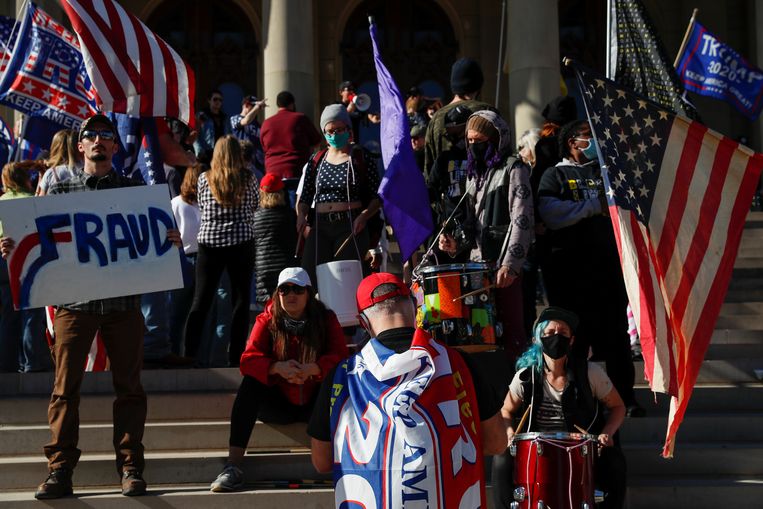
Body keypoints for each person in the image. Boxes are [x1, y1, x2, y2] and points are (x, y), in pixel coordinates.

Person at [0, 114, 181, 499]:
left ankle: (131, 467)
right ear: (79, 146)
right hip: (74, 304)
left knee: (130, 388)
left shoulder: (134, 192)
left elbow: (152, 243)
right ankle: (60, 470)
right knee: (65, 390)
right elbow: (35, 239)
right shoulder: (60, 194)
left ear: (116, 147)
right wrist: (13, 247)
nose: (98, 141)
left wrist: (167, 239)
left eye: (105, 136)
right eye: (90, 136)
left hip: (122, 305)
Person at [308, 272, 507, 508]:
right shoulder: (460, 364)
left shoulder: (341, 377)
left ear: (363, 322)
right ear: (415, 306)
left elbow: (321, 461)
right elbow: (496, 443)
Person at [537, 120, 643, 417]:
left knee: (616, 339)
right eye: (587, 137)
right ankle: (579, 399)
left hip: (609, 271)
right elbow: (552, 214)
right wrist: (591, 208)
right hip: (569, 274)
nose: (593, 142)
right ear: (572, 141)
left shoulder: (606, 173)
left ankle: (625, 399)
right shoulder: (554, 175)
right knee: (576, 341)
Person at [210, 267, 348, 492]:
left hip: (315, 405)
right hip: (279, 403)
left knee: (338, 381)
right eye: (284, 289)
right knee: (250, 383)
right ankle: (233, 466)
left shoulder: (325, 318)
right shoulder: (267, 318)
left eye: (297, 289)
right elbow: (247, 360)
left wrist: (315, 368)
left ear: (309, 294)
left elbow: (342, 358)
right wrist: (276, 368)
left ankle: (346, 460)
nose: (291, 294)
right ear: (277, 294)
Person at [491, 307, 627, 509]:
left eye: (563, 333)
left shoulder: (590, 373)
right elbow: (506, 411)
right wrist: (510, 432)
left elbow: (618, 406)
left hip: (580, 446)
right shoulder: (525, 377)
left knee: (615, 461)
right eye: (550, 333)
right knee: (500, 458)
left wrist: (607, 433)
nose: (557, 337)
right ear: (539, 339)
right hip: (536, 447)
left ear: (571, 340)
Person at [183, 135, 258, 367]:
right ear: (237, 154)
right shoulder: (248, 178)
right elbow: (255, 204)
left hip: (210, 244)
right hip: (241, 243)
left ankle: (190, 355)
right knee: (240, 301)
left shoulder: (205, 179)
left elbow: (203, 207)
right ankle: (235, 358)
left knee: (201, 301)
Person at [464, 110, 534, 360]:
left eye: (479, 141)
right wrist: (455, 241)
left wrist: (511, 265)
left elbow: (522, 219)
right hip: (476, 266)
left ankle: (520, 391)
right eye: (469, 140)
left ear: (495, 140)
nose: (473, 146)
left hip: (503, 266)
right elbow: (470, 219)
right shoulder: (474, 173)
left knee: (513, 330)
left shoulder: (514, 168)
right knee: (482, 333)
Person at [297, 104, 381, 287]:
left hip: (350, 225)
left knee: (345, 281)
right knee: (307, 276)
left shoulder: (360, 157)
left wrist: (364, 217)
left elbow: (377, 196)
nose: (334, 135)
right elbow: (306, 196)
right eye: (330, 131)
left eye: (339, 129)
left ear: (348, 129)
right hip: (320, 226)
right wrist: (301, 215)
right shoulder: (316, 160)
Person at [0, 161, 52, 373]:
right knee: (31, 315)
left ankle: (6, 365)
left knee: (7, 318)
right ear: (24, 178)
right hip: (31, 264)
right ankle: (33, 363)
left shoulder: (2, 200)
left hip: (3, 263)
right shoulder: (32, 201)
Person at [423, 57, 495, 176]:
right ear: (478, 86)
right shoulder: (487, 112)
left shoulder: (436, 119)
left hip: (446, 191)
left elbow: (429, 169)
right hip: (485, 190)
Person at [253, 173, 297, 305]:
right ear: (281, 192)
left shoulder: (254, 216)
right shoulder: (289, 215)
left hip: (263, 269)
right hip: (285, 267)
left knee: (268, 311)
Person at [260, 90, 323, 180]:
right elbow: (317, 141)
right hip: (296, 171)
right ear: (292, 104)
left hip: (272, 173)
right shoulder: (300, 118)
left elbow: (264, 147)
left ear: (278, 105)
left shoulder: (266, 123)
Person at [36, 129, 82, 196]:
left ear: (55, 148)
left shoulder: (51, 173)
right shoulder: (89, 169)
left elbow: (39, 204)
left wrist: (40, 180)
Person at [230, 94, 268, 175]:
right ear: (246, 105)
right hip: (241, 160)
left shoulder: (257, 124)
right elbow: (246, 121)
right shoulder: (235, 118)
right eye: (253, 106)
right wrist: (257, 107)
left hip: (257, 163)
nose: (257, 110)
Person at [194, 89, 231, 163]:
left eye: (220, 100)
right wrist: (199, 150)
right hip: (206, 153)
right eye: (215, 99)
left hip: (221, 152)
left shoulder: (224, 118)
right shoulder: (202, 115)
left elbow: (228, 134)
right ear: (209, 100)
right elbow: (194, 134)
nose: (218, 102)